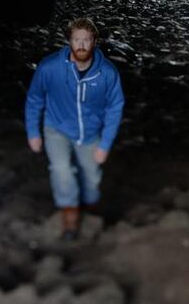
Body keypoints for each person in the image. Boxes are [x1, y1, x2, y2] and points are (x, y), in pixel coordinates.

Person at [25, 17, 125, 240]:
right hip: (56, 128)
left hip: (90, 132)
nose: (81, 45)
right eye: (76, 39)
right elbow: (35, 98)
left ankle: (88, 210)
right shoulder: (50, 67)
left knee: (91, 176)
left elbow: (115, 107)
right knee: (62, 170)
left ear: (94, 41)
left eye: (86, 40)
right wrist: (33, 132)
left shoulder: (107, 72)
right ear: (69, 40)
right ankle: (69, 219)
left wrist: (105, 144)